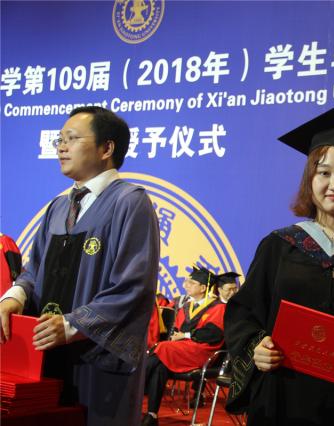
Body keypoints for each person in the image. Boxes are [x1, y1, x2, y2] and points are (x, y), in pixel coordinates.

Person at [224, 108, 334, 426]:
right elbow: (244, 312)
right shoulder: (279, 246)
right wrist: (256, 347)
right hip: (283, 397)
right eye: (324, 173)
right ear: (309, 179)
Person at [0, 106, 160, 426]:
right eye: (59, 139)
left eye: (71, 139)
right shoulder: (58, 207)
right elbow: (34, 270)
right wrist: (14, 296)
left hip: (98, 363)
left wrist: (72, 325)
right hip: (47, 357)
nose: (61, 147)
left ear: (106, 148)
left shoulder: (130, 202)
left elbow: (133, 287)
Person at [142, 267, 237, 426]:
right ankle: (152, 415)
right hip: (182, 350)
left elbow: (213, 335)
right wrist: (180, 336)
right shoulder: (186, 306)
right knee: (160, 366)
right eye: (186, 281)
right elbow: (177, 330)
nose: (186, 285)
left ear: (203, 287)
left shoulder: (218, 307)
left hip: (204, 351)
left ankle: (132, 391)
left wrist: (186, 335)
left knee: (163, 347)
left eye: (191, 283)